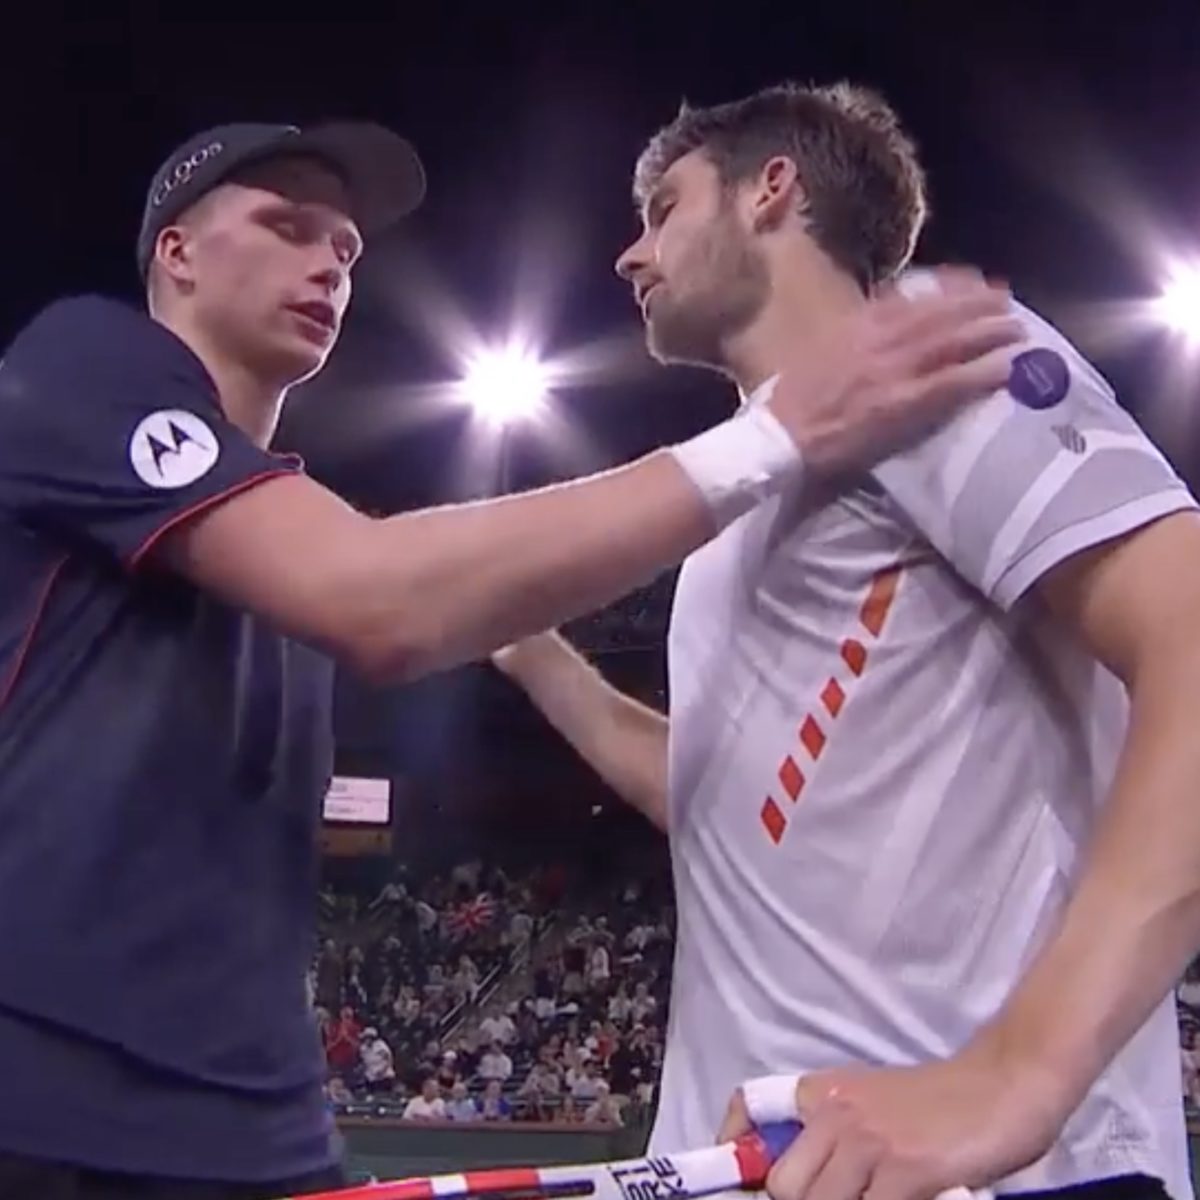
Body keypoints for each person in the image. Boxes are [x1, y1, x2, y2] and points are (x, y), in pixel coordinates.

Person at [0, 114, 1018, 1198]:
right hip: (47, 1109)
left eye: (345, 249)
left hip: (258, 1130)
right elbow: (378, 600)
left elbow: (399, 596)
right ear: (177, 252)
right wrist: (774, 436)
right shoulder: (84, 365)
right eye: (288, 228)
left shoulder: (282, 526)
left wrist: (523, 641)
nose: (329, 266)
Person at [493, 81, 1200, 1200]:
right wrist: (530, 649)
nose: (631, 255)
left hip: (986, 1173)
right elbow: (717, 800)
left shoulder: (921, 354)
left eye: (663, 209)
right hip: (765, 1156)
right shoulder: (747, 500)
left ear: (771, 190)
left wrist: (1020, 1075)